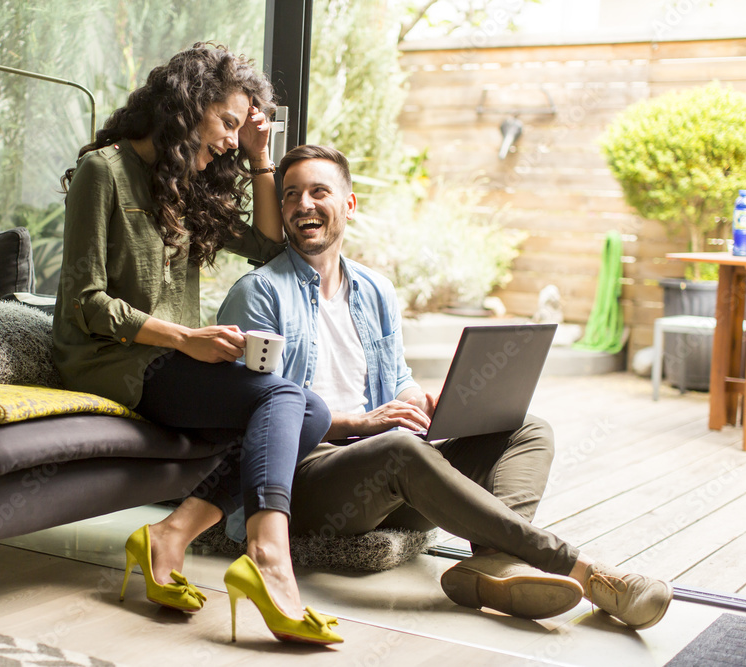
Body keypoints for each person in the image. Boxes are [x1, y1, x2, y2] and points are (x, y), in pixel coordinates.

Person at [217, 144, 673, 630]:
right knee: (399, 449)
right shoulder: (259, 293)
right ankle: (589, 572)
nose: (303, 204)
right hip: (304, 483)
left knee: (527, 429)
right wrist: (361, 422)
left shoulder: (374, 290)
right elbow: (258, 414)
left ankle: (492, 564)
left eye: (318, 191)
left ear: (349, 204)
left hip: (388, 473)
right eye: (291, 195)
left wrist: (416, 398)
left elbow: (396, 379)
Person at [53, 47, 341, 645]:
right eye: (229, 123)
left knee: (308, 408)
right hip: (110, 362)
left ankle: (171, 534)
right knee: (286, 399)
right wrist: (186, 338)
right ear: (189, 105)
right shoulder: (101, 172)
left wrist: (263, 158)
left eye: (241, 130)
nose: (234, 141)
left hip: (169, 359)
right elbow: (84, 301)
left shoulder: (187, 185)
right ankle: (268, 556)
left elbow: (267, 247)